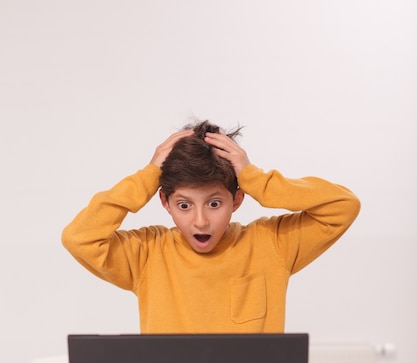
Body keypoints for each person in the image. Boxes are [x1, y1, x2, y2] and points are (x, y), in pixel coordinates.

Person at [62, 120, 360, 333]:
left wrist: (257, 180)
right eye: (184, 205)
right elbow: (79, 238)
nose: (201, 221)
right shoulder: (148, 254)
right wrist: (148, 176)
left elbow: (343, 206)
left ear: (237, 200)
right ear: (165, 202)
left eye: (214, 204)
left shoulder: (271, 244)